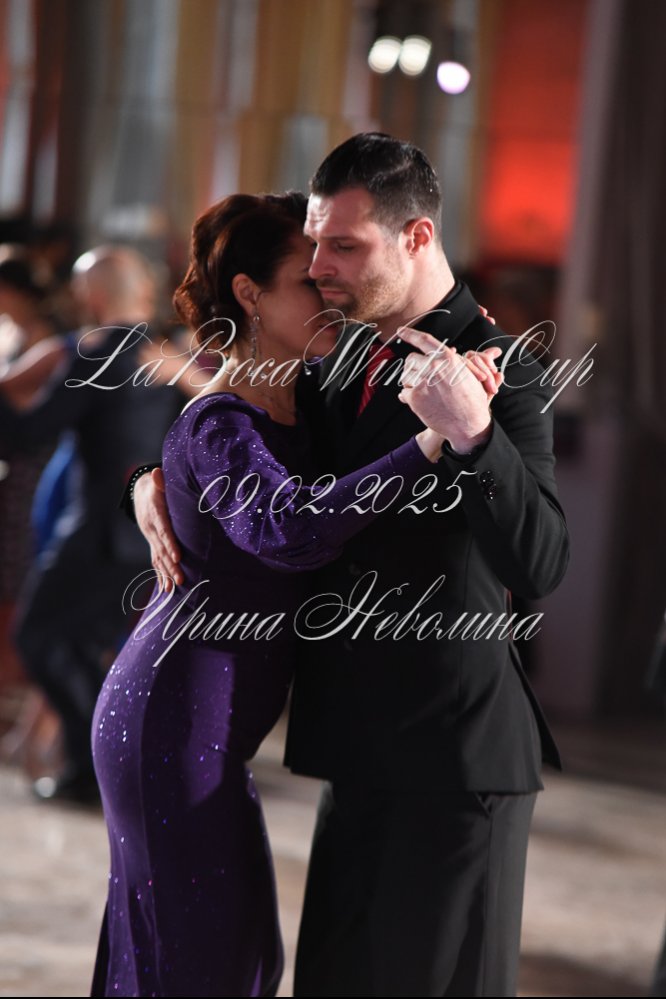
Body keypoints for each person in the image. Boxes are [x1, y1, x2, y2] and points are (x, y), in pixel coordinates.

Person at [132, 135, 570, 997]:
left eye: (343, 245)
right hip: (355, 751)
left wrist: (475, 437)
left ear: (416, 237)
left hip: (453, 766)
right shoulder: (338, 362)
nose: (320, 265)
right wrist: (146, 482)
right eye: (314, 243)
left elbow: (543, 561)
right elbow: (245, 455)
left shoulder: (504, 369)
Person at [0, 246, 178, 803]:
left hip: (96, 530)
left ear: (92, 296)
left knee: (37, 637)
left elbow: (27, 434)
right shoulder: (170, 355)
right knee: (85, 650)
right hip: (150, 533)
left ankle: (96, 764)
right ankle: (101, 768)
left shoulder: (95, 353)